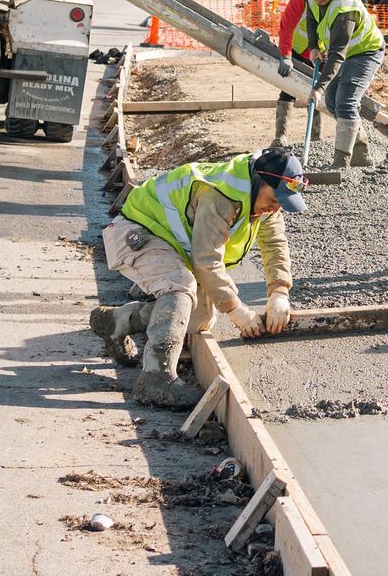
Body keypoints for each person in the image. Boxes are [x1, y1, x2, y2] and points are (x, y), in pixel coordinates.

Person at [89, 148, 307, 408]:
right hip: (137, 231)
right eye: (276, 198)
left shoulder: (266, 203)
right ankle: (155, 378)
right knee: (181, 287)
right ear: (260, 181)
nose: (278, 206)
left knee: (197, 319)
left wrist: (279, 292)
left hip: (170, 243)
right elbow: (207, 262)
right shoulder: (221, 196)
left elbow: (274, 244)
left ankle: (118, 322)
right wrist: (237, 311)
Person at [274, 0, 386, 168]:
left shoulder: (343, 10)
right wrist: (314, 46)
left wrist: (317, 88)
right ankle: (361, 153)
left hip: (365, 52)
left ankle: (340, 163)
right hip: (346, 52)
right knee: (333, 101)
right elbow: (312, 21)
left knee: (346, 101)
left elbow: (337, 55)